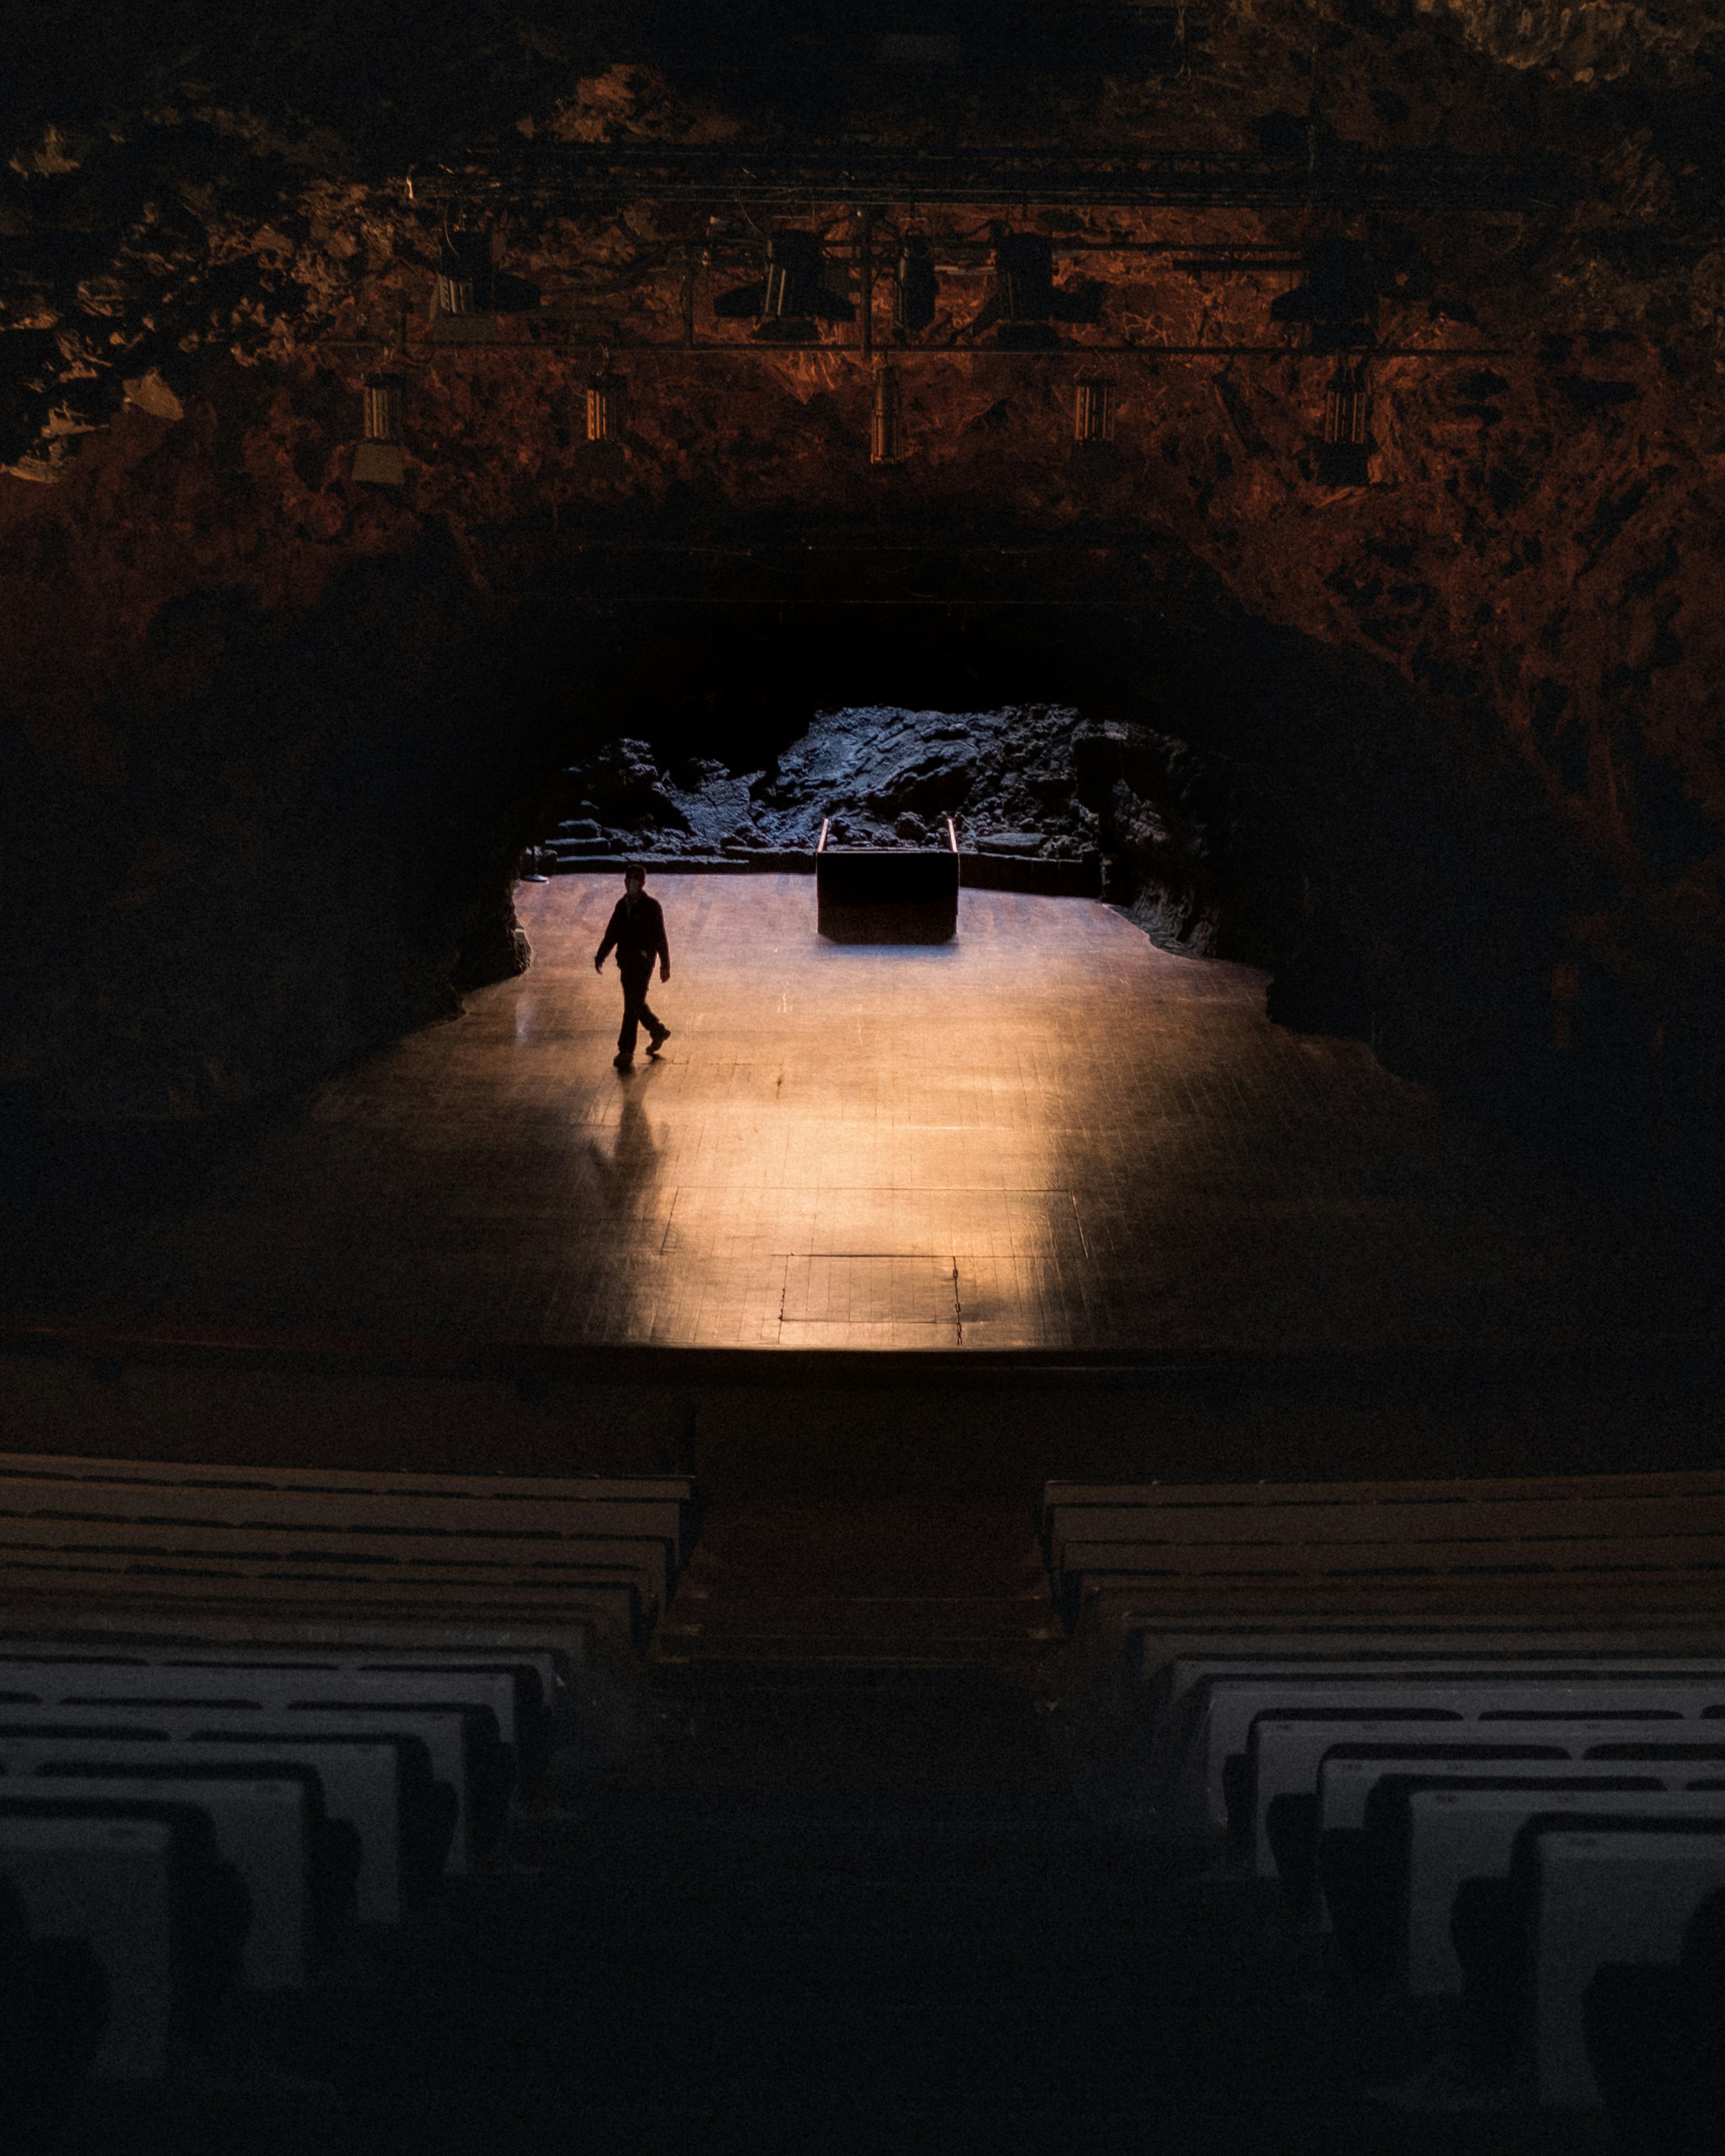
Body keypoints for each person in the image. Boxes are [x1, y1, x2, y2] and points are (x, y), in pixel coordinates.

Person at [594, 864, 670, 1068]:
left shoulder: (652, 907)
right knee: (635, 1002)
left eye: (636, 879)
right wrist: (601, 955)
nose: (632, 883)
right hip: (626, 962)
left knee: (631, 1006)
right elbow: (612, 933)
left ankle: (626, 1051)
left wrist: (665, 964)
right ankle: (658, 1031)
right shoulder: (622, 906)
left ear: (643, 883)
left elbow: (660, 937)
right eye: (630, 879)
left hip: (643, 963)